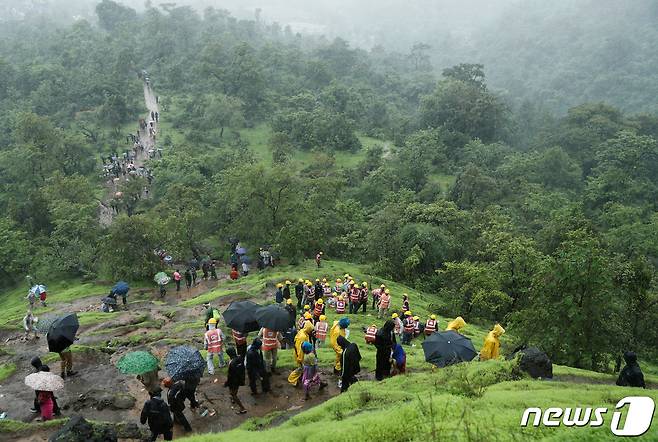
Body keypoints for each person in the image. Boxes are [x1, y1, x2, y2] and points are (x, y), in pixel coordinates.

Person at [288, 321, 314, 386]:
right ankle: (291, 379)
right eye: (310, 330)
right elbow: (300, 349)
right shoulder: (302, 337)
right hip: (300, 355)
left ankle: (300, 377)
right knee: (300, 368)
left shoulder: (304, 332)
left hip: (301, 354)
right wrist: (300, 359)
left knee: (302, 368)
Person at [224, 347, 247, 414]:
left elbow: (230, 375)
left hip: (234, 381)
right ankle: (233, 399)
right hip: (240, 378)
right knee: (234, 391)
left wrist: (227, 382)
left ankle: (242, 408)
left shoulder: (232, 363)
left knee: (233, 393)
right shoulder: (240, 358)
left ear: (229, 354)